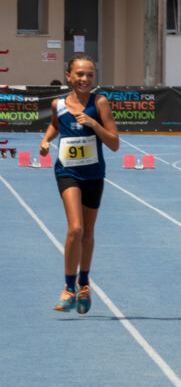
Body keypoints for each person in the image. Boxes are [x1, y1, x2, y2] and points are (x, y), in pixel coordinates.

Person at [40, 53, 120, 314]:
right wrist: (46, 140)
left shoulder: (100, 103)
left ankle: (84, 283)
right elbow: (55, 126)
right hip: (67, 172)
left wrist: (95, 124)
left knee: (87, 233)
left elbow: (114, 143)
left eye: (90, 75)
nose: (85, 79)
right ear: (69, 76)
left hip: (94, 174)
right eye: (80, 74)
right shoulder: (58, 104)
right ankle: (68, 288)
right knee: (75, 228)